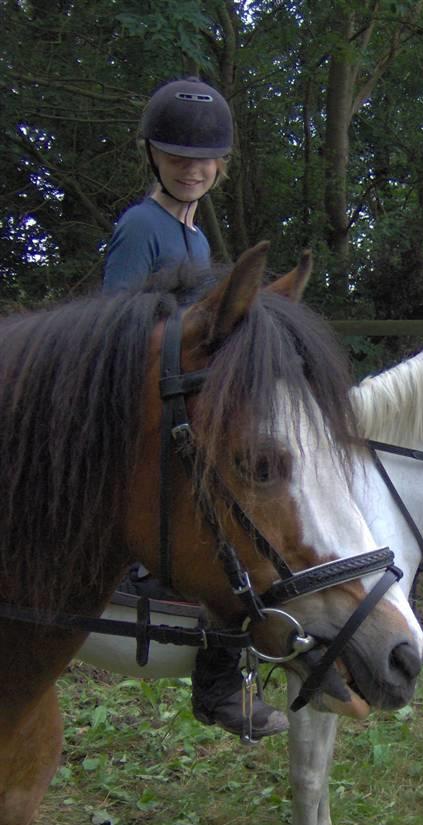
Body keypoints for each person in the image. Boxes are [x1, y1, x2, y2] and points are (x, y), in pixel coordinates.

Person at [104, 78, 288, 743]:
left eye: (204, 159)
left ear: (221, 165)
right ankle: (216, 687)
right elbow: (119, 330)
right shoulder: (139, 229)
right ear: (152, 156)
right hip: (148, 400)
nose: (192, 169)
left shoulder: (199, 241)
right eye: (178, 156)